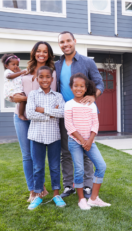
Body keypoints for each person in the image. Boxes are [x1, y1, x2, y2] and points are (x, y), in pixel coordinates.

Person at [55, 31, 104, 198]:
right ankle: (69, 186)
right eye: (62, 42)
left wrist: (93, 96)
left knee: (86, 150)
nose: (65, 44)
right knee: (66, 151)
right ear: (59, 45)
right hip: (66, 114)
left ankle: (88, 185)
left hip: (85, 113)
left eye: (68, 40)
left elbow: (99, 83)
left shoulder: (87, 62)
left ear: (74, 41)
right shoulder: (57, 65)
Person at [11, 41, 56, 202]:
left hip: (38, 119)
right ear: (34, 53)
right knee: (26, 155)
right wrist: (13, 96)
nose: (41, 54)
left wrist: (25, 98)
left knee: (38, 155)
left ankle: (40, 185)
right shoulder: (24, 71)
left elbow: (50, 98)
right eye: (38, 51)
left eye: (45, 51)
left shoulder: (52, 73)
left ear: (49, 54)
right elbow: (13, 92)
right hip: (21, 117)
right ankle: (33, 189)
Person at [65, 73, 110, 210]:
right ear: (71, 87)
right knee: (79, 170)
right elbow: (69, 126)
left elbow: (95, 124)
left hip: (90, 141)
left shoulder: (92, 105)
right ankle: (81, 199)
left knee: (101, 166)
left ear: (86, 88)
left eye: (81, 86)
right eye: (75, 86)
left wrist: (89, 141)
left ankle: (93, 198)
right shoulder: (68, 105)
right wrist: (83, 141)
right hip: (75, 141)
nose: (78, 88)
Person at [26, 66, 66, 210]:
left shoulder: (58, 96)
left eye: (47, 77)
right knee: (38, 167)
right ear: (37, 79)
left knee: (55, 166)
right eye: (41, 77)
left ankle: (56, 194)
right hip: (36, 136)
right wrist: (51, 113)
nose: (44, 79)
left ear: (52, 79)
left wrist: (42, 110)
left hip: (54, 136)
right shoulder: (32, 95)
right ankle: (37, 195)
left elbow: (62, 113)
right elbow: (30, 113)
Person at [2, 54, 28, 120]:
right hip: (11, 92)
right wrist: (20, 72)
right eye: (13, 64)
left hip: (17, 91)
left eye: (17, 65)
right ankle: (20, 114)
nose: (16, 66)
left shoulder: (17, 73)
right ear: (7, 66)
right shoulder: (8, 71)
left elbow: (22, 77)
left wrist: (21, 72)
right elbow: (9, 76)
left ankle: (23, 113)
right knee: (23, 98)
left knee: (23, 98)